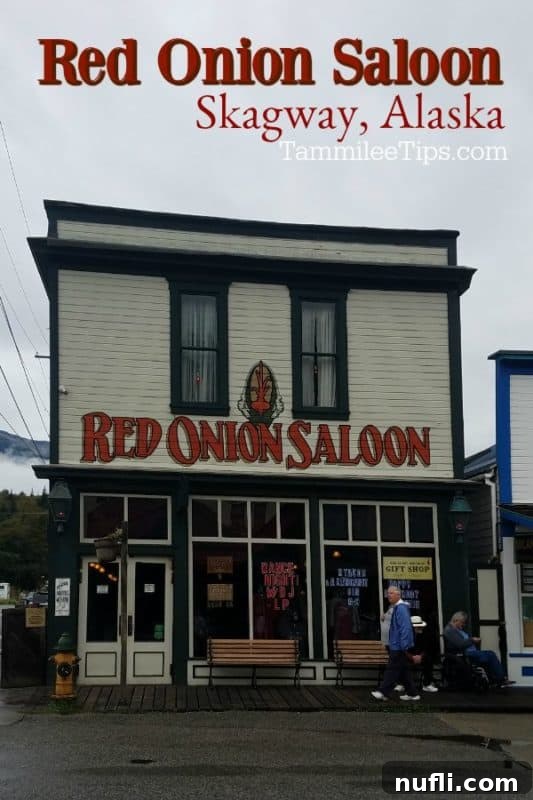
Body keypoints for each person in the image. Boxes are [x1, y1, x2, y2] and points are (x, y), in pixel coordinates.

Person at [371, 586, 422, 702]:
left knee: (392, 669)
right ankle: (413, 693)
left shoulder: (401, 609)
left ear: (398, 595)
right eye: (388, 593)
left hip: (398, 646)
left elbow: (405, 628)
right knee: (403, 671)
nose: (388, 595)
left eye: (392, 593)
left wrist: (404, 645)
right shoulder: (397, 608)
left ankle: (382, 691)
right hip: (397, 645)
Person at [443, 611, 514, 687]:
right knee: (490, 654)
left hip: (470, 652)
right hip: (462, 654)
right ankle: (500, 679)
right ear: (456, 620)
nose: (463, 625)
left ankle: (495, 679)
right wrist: (473, 640)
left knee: (488, 656)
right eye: (462, 622)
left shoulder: (457, 630)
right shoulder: (449, 630)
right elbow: (461, 644)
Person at [393, 615, 439, 693]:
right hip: (408, 656)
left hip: (419, 656)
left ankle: (426, 684)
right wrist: (411, 657)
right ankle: (401, 684)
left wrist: (420, 656)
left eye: (420, 626)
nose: (420, 628)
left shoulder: (424, 635)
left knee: (428, 659)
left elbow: (427, 647)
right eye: (417, 627)